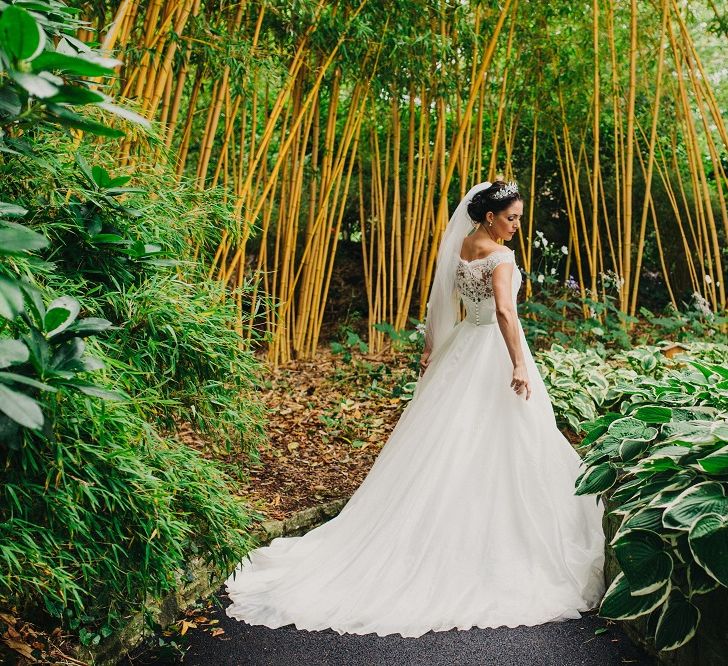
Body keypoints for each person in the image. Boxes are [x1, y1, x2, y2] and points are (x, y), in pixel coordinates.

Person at [224, 180, 606, 638]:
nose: (517, 227)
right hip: (495, 351)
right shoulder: (501, 258)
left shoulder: (463, 245)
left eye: (519, 218)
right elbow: (505, 313)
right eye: (512, 218)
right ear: (490, 216)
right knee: (505, 440)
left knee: (452, 442)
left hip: (463, 347)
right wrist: (520, 363)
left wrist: (430, 350)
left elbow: (440, 301)